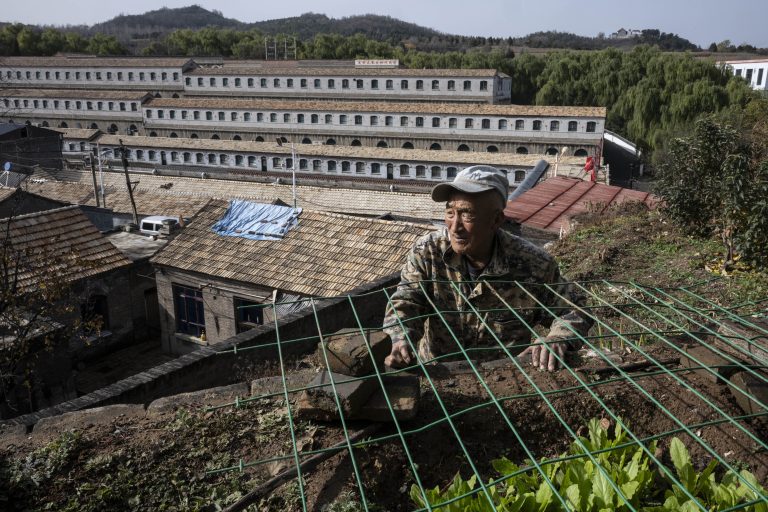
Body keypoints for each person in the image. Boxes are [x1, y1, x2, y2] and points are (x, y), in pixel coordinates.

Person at [383, 165, 593, 371]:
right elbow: (407, 299)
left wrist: (557, 338)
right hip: (439, 374)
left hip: (505, 379)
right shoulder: (428, 251)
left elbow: (575, 309)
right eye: (450, 212)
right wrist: (400, 338)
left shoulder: (533, 264)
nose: (454, 227)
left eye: (467, 215)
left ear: (496, 220)